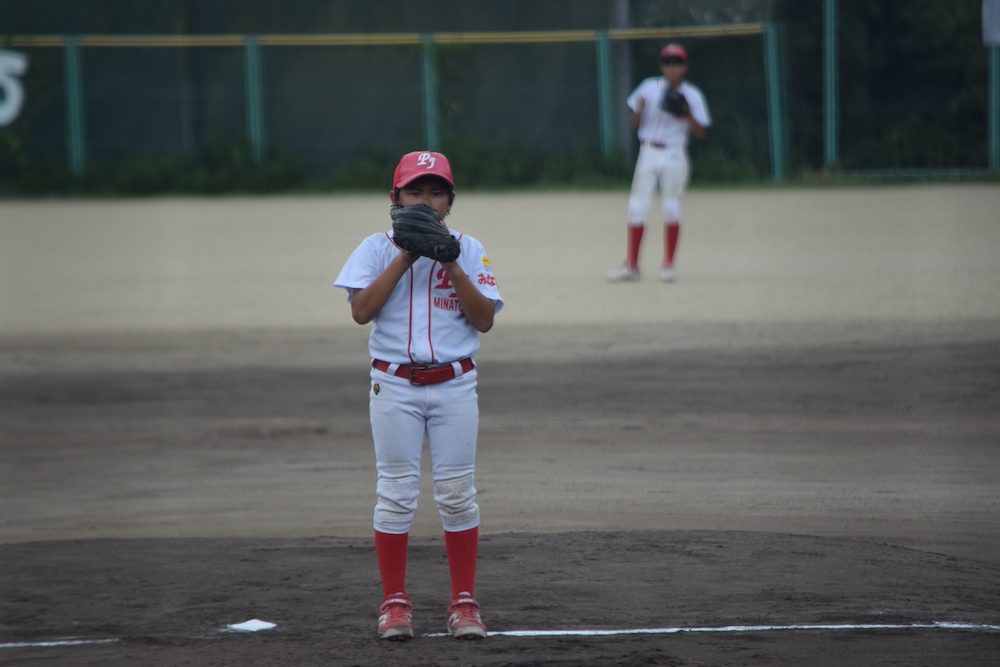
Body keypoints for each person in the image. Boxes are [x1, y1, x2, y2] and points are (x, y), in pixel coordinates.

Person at [334, 151, 503, 641]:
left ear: (451, 200)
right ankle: (394, 604)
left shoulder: (468, 249)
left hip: (455, 385)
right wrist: (406, 254)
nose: (425, 202)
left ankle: (464, 603)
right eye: (414, 192)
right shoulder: (374, 248)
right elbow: (361, 311)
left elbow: (484, 320)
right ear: (395, 198)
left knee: (457, 495)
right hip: (393, 386)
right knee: (395, 494)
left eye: (435, 192)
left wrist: (450, 261)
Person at [608, 43, 711, 283]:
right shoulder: (648, 87)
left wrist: (687, 113)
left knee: (671, 208)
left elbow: (700, 133)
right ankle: (632, 266)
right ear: (662, 66)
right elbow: (633, 124)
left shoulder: (692, 94)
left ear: (685, 67)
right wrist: (640, 110)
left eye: (677, 62)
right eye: (667, 62)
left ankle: (668, 265)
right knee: (636, 207)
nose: (672, 67)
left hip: (674, 153)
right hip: (648, 152)